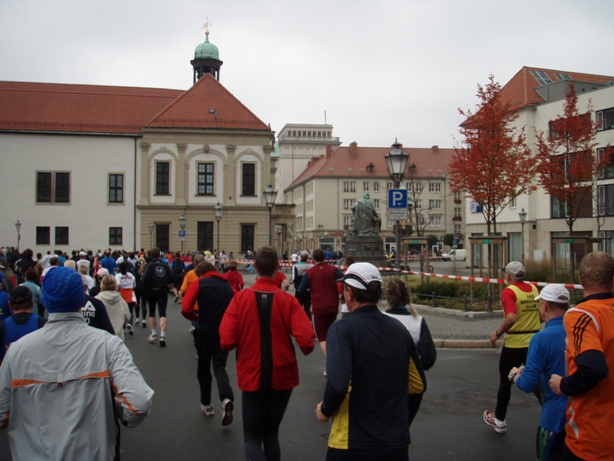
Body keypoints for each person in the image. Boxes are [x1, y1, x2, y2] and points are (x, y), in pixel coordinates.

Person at [0, 267, 153, 460]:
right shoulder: (107, 344)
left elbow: (2, 411)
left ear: (44, 301)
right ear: (82, 299)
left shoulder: (17, 351)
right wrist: (115, 410)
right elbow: (137, 404)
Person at [316, 262, 426, 461]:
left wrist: (325, 410)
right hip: (395, 444)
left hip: (352, 443)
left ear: (349, 293)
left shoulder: (342, 331)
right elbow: (418, 385)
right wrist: (400, 423)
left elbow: (338, 385)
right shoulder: (399, 329)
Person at [220, 246, 314, 461]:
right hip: (283, 372)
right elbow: (307, 343)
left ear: (254, 266)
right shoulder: (288, 301)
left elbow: (226, 342)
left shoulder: (240, 300)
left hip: (251, 371)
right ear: (278, 267)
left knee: (252, 437)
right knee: (271, 433)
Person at [549, 251, 614, 461]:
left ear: (580, 280)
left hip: (592, 438)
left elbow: (593, 368)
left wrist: (564, 385)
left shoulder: (582, 315)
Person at [508, 284, 569, 461]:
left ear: (545, 306)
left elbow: (528, 384)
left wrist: (516, 375)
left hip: (554, 418)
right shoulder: (577, 330)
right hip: (579, 416)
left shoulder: (541, 339)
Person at [483, 261, 541, 434]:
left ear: (508, 276)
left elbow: (512, 316)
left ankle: (499, 420)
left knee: (505, 381)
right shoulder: (533, 289)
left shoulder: (509, 291)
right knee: (537, 379)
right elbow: (540, 315)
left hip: (515, 342)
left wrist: (498, 333)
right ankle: (550, 408)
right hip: (533, 341)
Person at [182, 261, 235, 425]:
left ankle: (207, 404)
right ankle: (226, 398)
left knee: (204, 367)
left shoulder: (200, 284)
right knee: (219, 366)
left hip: (205, 329)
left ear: (201, 273)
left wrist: (195, 317)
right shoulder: (226, 285)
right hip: (222, 330)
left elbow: (185, 307)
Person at [298, 248, 345, 357]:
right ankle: (337, 355)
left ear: (313, 258)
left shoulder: (310, 273)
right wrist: (342, 294)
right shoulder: (333, 270)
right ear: (324, 258)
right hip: (333, 307)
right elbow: (344, 278)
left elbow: (301, 290)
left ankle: (331, 365)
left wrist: (310, 289)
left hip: (319, 308)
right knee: (328, 333)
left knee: (322, 337)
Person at [0, 286, 47, 364]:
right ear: (32, 302)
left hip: (10, 375)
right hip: (37, 374)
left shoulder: (2, 327)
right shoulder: (43, 324)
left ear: (9, 305)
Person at [141, 247, 173, 346]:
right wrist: (167, 283)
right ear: (160, 255)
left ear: (151, 255)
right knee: (162, 313)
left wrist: (145, 287)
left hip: (151, 290)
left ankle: (154, 333)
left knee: (151, 312)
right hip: (162, 290)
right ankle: (162, 335)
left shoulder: (149, 266)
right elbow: (171, 277)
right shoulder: (165, 265)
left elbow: (145, 279)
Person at [96, 274, 131, 340]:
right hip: (118, 336)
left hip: (102, 337)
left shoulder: (97, 299)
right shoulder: (121, 300)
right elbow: (128, 316)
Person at [291, 251, 313, 319]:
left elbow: (294, 277)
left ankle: (298, 320)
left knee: (298, 307)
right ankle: (308, 322)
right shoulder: (311, 265)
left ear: (300, 256)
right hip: (308, 289)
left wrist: (291, 281)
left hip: (299, 289)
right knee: (307, 308)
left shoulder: (296, 265)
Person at [116, 261, 137, 329]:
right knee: (130, 310)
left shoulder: (118, 276)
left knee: (122, 310)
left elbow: (117, 284)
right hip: (130, 293)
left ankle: (123, 326)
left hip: (121, 293)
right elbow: (134, 284)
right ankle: (130, 324)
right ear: (127, 268)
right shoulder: (130, 275)